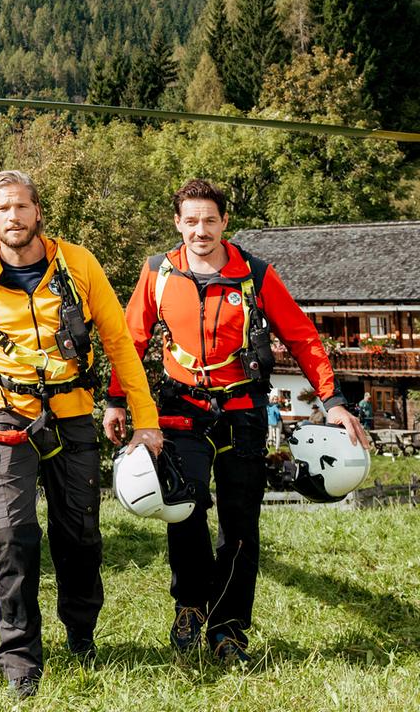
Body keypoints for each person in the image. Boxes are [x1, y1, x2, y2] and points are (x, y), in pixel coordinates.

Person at [103, 179, 368, 665]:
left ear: (224, 222)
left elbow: (303, 336)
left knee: (240, 525)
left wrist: (331, 399)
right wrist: (116, 400)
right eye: (190, 221)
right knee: (182, 509)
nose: (199, 230)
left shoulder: (256, 274)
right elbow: (131, 339)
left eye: (209, 220)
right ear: (177, 223)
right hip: (180, 406)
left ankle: (228, 631)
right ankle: (189, 606)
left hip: (242, 410)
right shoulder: (158, 272)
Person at [0, 170, 161, 698]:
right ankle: (18, 654)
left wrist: (146, 419)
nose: (13, 218)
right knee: (12, 535)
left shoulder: (79, 264)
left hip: (72, 414)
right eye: (2, 209)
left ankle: (81, 635)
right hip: (6, 420)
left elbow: (119, 342)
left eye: (21, 207)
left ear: (38, 212)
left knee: (79, 533)